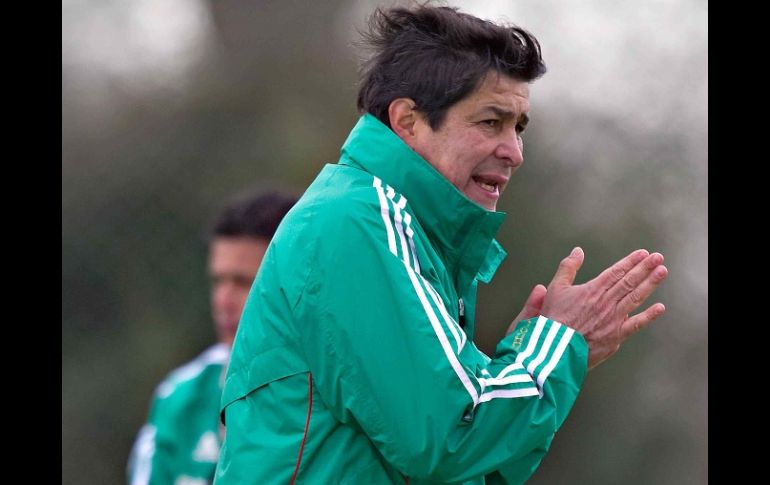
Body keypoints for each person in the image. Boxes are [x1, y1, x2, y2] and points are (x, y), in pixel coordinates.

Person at [216, 5, 668, 484]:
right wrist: (555, 346)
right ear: (408, 121)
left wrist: (525, 361)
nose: (514, 151)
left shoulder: (406, 232)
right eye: (491, 122)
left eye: (519, 127)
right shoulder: (354, 223)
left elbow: (463, 463)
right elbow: (450, 434)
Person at [127, 190, 297, 485]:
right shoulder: (181, 399)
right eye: (218, 281)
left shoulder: (331, 393)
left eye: (244, 282)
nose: (224, 300)